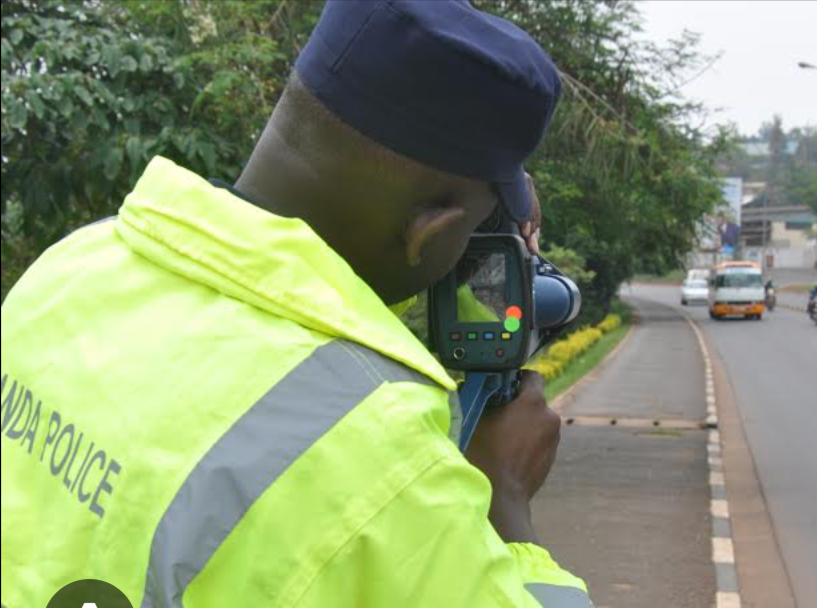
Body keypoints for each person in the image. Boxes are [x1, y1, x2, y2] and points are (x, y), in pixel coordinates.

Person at [0, 2, 593, 608]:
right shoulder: (379, 451)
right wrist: (507, 501)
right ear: (428, 230)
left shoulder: (75, 263)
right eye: (470, 231)